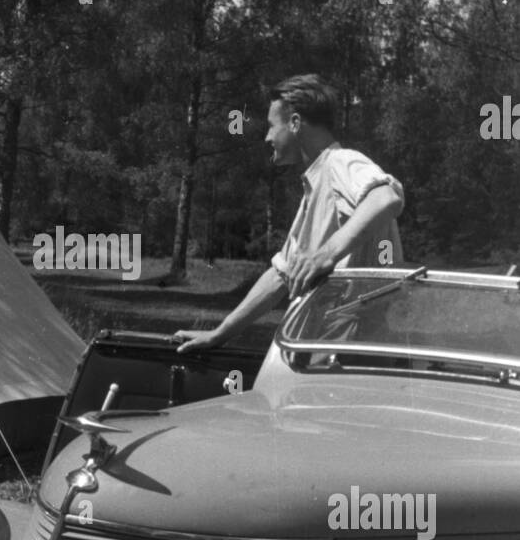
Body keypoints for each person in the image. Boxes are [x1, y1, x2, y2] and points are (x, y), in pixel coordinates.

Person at [173, 75, 404, 353]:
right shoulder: (317, 182)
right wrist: (219, 334)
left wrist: (326, 253)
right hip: (328, 350)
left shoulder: (340, 163)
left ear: (295, 123)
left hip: (354, 356)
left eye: (272, 126)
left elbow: (385, 197)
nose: (267, 137)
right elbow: (280, 275)